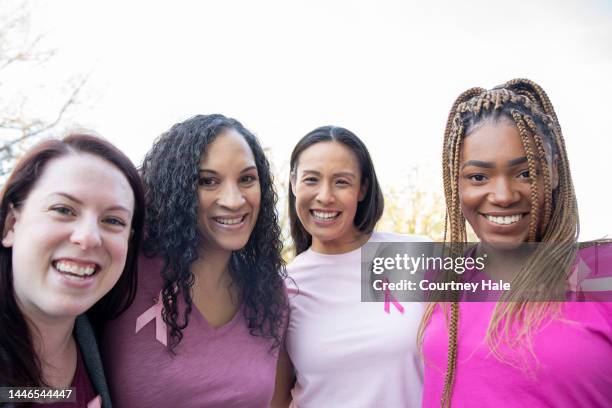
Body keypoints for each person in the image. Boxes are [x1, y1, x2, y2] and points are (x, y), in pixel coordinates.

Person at [420, 79, 612, 407]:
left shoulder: (601, 270)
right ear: (457, 183)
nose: (504, 196)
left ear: (552, 172)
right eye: (478, 177)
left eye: (525, 173)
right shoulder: (442, 276)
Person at [102, 114, 287, 407]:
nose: (234, 199)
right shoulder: (124, 268)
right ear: (174, 190)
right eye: (208, 181)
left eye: (247, 178)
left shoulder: (272, 293)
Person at [272, 126, 426, 407]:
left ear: (363, 188)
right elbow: (277, 398)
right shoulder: (282, 287)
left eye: (341, 182)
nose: (325, 196)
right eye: (311, 180)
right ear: (293, 183)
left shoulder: (413, 256)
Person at [0, 133, 145, 407]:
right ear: (11, 225)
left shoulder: (104, 344)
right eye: (63, 210)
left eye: (113, 220)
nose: (89, 237)